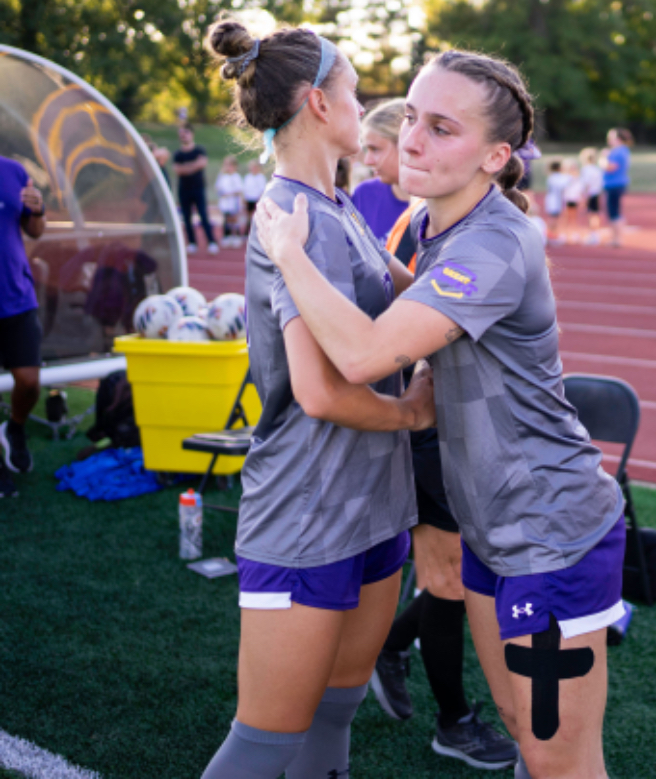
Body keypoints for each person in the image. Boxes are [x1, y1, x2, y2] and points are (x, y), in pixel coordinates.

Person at [255, 48, 626, 779]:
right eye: (413, 118)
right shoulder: (439, 224)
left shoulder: (490, 243)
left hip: (549, 529)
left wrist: (288, 254)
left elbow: (363, 357)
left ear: (494, 156)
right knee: (527, 729)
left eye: (442, 128)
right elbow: (403, 298)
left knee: (558, 756)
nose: (414, 140)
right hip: (493, 528)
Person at [200, 20, 435, 779]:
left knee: (336, 710)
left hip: (374, 503)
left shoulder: (338, 209)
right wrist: (409, 412)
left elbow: (421, 300)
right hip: (306, 512)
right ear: (317, 103)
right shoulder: (289, 219)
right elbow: (319, 390)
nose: (364, 108)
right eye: (355, 93)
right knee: (264, 741)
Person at [356, 97, 519, 770]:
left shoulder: (451, 224)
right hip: (436, 425)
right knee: (448, 577)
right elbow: (392, 339)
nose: (370, 165)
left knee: (455, 574)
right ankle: (452, 718)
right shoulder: (412, 224)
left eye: (377, 150)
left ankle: (391, 648)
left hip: (462, 423)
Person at [0, 154, 46, 499]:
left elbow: (34, 230)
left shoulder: (13, 170)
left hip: (16, 294)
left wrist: (38, 209)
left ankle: (14, 428)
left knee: (29, 381)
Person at [351, 99, 412, 246]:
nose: (368, 161)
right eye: (366, 150)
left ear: (406, 143)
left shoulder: (436, 204)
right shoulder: (365, 195)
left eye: (375, 149)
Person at [174, 125, 219, 255]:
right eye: (181, 133)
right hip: (184, 190)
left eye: (186, 132)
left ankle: (211, 242)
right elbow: (177, 169)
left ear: (192, 134)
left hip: (198, 188)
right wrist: (193, 166)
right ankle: (192, 243)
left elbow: (202, 163)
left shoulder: (199, 150)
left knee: (203, 215)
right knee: (186, 217)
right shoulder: (178, 154)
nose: (183, 135)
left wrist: (186, 167)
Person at [601, 128, 632, 248]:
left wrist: (603, 158)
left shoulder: (617, 151)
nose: (608, 139)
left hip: (614, 184)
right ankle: (616, 238)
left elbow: (610, 167)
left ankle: (617, 239)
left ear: (618, 139)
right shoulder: (623, 150)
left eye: (611, 137)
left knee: (613, 212)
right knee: (614, 211)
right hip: (616, 183)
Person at [215, 156, 246, 247]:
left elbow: (239, 190)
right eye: (226, 165)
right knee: (226, 219)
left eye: (230, 165)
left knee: (234, 220)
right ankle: (226, 236)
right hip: (225, 203)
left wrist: (230, 194)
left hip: (234, 203)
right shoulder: (222, 177)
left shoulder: (236, 177)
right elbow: (218, 187)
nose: (228, 167)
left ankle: (236, 236)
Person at [579, 147, 604, 245]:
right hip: (597, 193)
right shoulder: (597, 169)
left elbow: (586, 184)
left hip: (590, 194)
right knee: (595, 214)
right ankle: (595, 234)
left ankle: (592, 235)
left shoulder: (585, 169)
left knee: (590, 215)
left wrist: (584, 196)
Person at [543, 158, 569, 245]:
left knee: (555, 219)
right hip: (554, 201)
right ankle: (550, 236)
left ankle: (552, 235)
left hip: (555, 200)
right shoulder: (555, 177)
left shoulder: (552, 176)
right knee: (553, 219)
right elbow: (563, 185)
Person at [242, 158, 268, 234]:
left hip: (257, 199)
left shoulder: (261, 177)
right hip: (249, 199)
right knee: (248, 216)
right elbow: (245, 189)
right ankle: (247, 231)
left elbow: (262, 190)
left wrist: (260, 199)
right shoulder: (247, 177)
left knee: (258, 216)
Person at [561, 158, 584, 245]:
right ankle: (564, 234)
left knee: (574, 217)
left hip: (574, 199)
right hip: (566, 199)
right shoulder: (564, 177)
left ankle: (575, 233)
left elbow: (580, 188)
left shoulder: (577, 178)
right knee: (565, 217)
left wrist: (580, 198)